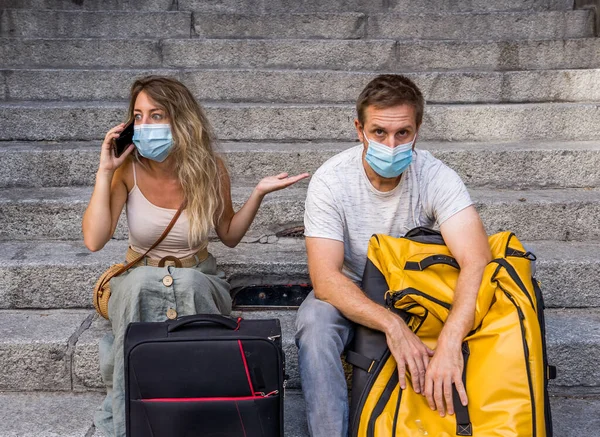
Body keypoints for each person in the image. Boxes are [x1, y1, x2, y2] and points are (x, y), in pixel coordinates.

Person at [82, 76, 308, 437]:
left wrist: (259, 194)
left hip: (200, 275)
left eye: (156, 115)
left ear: (181, 119)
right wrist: (105, 170)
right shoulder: (127, 171)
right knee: (141, 284)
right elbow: (94, 240)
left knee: (187, 283)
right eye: (138, 117)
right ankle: (131, 423)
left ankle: (195, 413)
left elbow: (229, 236)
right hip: (138, 274)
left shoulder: (210, 169)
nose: (145, 126)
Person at [295, 74, 492, 436]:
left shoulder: (435, 176)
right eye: (380, 132)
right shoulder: (331, 180)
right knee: (314, 326)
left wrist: (451, 341)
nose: (391, 143)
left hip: (415, 288)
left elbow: (477, 258)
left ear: (417, 130)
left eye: (403, 133)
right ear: (360, 130)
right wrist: (391, 324)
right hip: (349, 283)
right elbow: (325, 279)